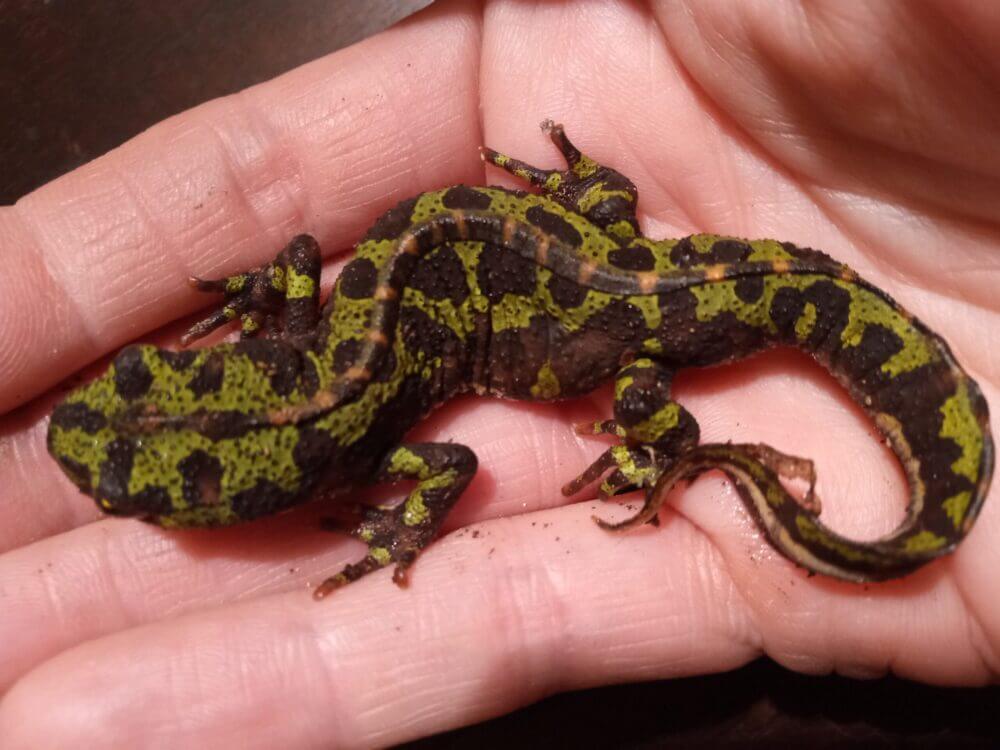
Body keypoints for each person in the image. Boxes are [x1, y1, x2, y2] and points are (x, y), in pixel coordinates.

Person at [0, 1, 996, 746]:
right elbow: (301, 264)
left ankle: (678, 449)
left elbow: (448, 467)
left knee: (633, 389)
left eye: (135, 373)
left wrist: (403, 523)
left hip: (619, 315)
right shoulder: (297, 361)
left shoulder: (347, 449)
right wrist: (269, 297)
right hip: (583, 246)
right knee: (606, 288)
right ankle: (598, 219)